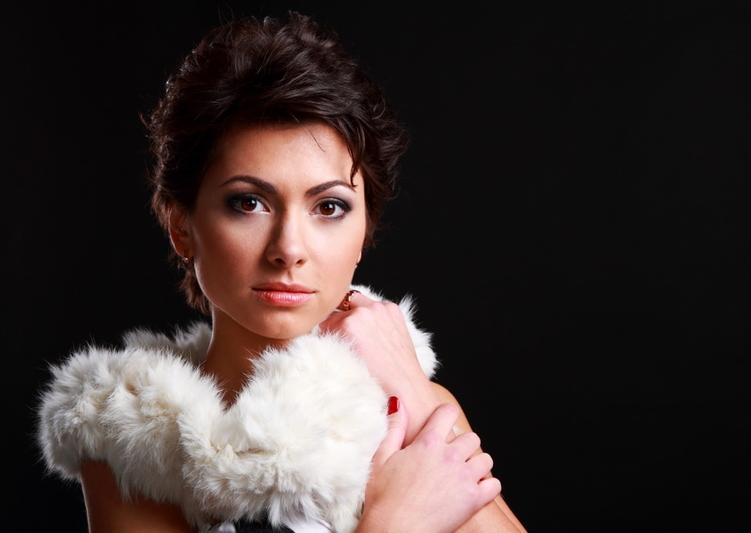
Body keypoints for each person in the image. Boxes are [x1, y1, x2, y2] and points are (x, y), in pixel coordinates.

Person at [37, 12, 528, 533]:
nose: (289, 249)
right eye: (248, 202)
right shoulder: (130, 440)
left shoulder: (413, 403)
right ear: (182, 227)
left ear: (364, 232)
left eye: (329, 207)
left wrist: (410, 385)